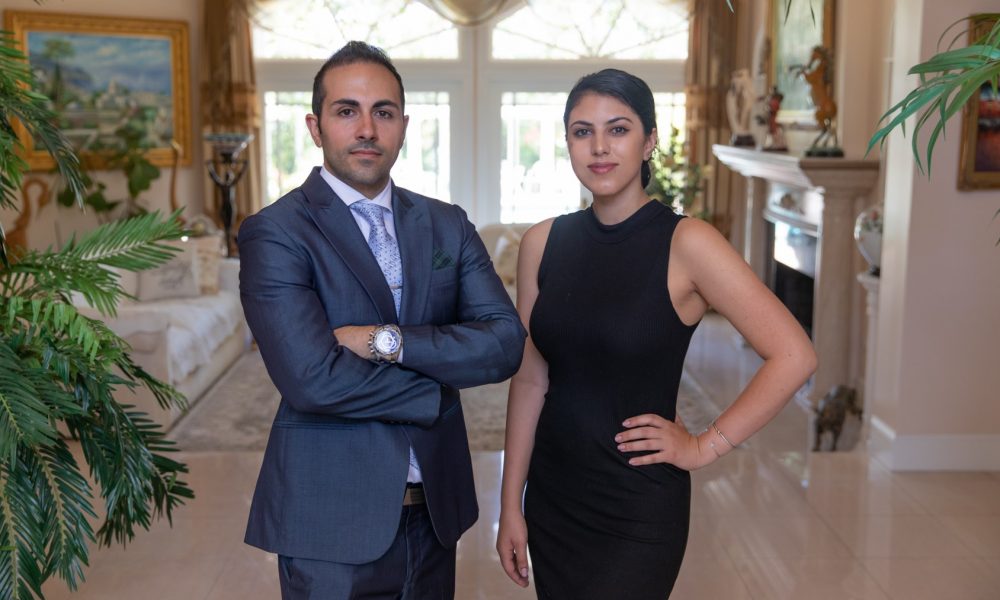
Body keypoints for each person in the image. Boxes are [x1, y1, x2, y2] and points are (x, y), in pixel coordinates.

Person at [495, 68, 817, 599]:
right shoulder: (542, 243)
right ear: (568, 142)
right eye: (582, 131)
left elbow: (794, 354)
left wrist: (704, 447)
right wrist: (511, 503)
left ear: (649, 141)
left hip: (636, 506)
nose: (599, 147)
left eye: (618, 129)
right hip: (554, 497)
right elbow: (531, 380)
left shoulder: (688, 243)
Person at [239, 41, 526, 599]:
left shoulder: (447, 224)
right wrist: (437, 394)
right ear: (316, 127)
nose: (367, 129)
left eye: (384, 112)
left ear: (404, 126)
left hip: (435, 515)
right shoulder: (276, 231)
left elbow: (503, 342)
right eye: (347, 111)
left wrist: (385, 342)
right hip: (329, 521)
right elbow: (311, 379)